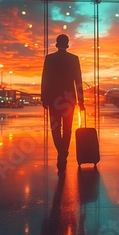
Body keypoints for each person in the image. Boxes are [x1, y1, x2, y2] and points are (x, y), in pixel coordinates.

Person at [41, 34, 85, 171]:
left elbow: (45, 79)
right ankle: (63, 153)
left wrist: (44, 98)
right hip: (69, 99)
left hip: (53, 100)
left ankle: (61, 152)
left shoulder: (49, 59)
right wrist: (81, 101)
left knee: (55, 128)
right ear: (67, 44)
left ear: (56, 44)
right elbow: (78, 81)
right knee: (67, 128)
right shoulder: (74, 59)